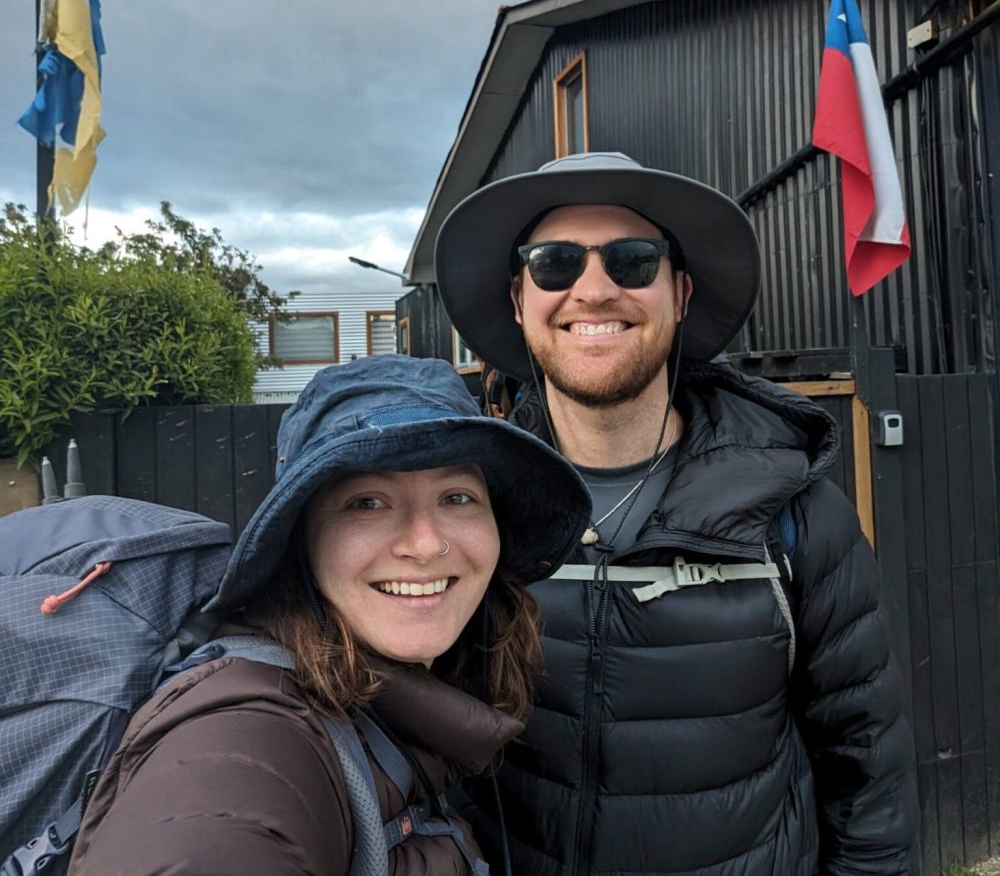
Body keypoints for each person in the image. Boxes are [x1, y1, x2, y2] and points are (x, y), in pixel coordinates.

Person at [434, 151, 920, 875]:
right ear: (517, 297)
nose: (592, 291)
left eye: (632, 261)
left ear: (681, 291)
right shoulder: (463, 514)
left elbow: (867, 775)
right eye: (554, 262)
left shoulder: (796, 520)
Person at [67, 354, 591, 875]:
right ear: (301, 540)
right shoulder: (245, 743)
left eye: (457, 497)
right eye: (367, 502)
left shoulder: (408, 709)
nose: (426, 544)